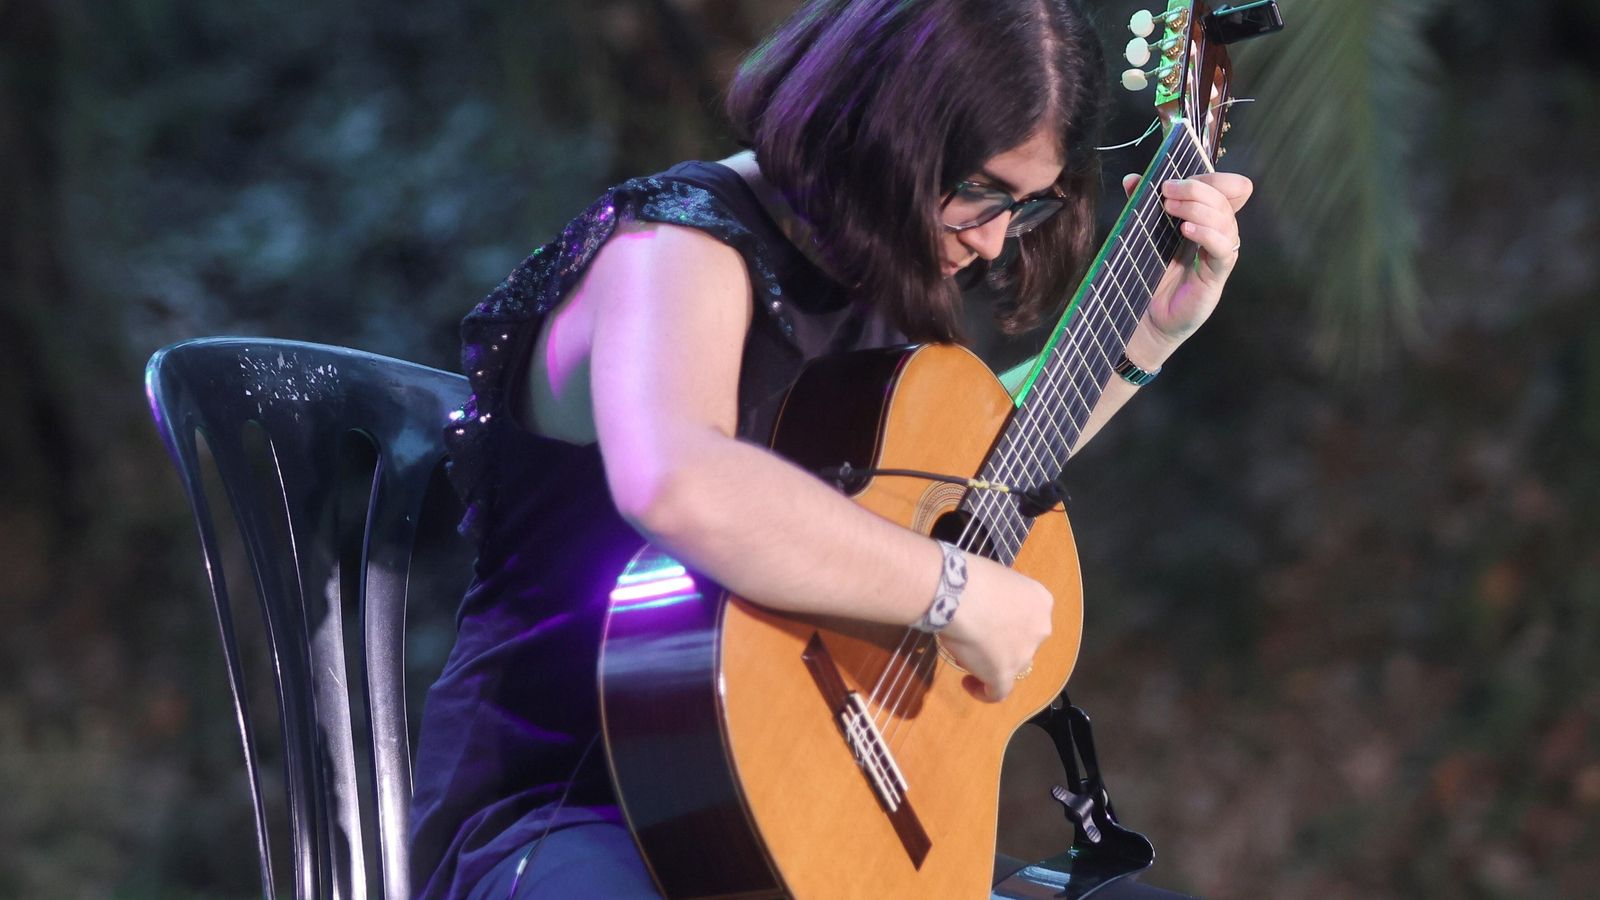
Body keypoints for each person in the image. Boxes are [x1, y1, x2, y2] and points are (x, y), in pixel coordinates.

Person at [409, 0, 1252, 897]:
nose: (995, 237)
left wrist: (1144, 341)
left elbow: (970, 481)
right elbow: (682, 483)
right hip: (574, 813)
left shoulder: (873, 269)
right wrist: (955, 592)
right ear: (885, 126)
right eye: (978, 189)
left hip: (799, 805)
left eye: (1029, 203)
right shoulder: (674, 248)